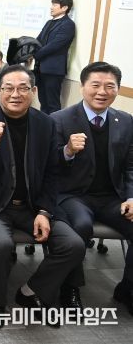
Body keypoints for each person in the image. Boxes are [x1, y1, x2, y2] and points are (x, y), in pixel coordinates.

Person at [0, 65, 85, 328]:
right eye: (8, 88)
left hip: (33, 206)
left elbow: (52, 172)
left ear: (34, 91)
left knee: (73, 244)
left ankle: (31, 291)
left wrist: (44, 212)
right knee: (1, 244)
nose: (15, 94)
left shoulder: (46, 123)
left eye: (23, 88)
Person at [52, 61, 133, 315]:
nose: (102, 92)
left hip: (112, 197)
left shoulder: (126, 121)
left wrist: (131, 197)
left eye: (110, 86)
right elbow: (47, 166)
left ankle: (127, 289)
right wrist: (67, 151)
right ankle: (70, 288)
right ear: (83, 87)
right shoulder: (59, 119)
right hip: (73, 195)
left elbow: (131, 167)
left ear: (117, 89)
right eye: (95, 85)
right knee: (81, 226)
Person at [33, 0, 76, 114]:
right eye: (52, 4)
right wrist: (32, 49)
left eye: (55, 5)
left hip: (53, 70)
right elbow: (38, 40)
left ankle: (54, 125)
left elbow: (55, 45)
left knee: (53, 103)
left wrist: (36, 54)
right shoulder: (49, 22)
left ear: (64, 7)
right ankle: (44, 123)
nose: (51, 7)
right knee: (43, 101)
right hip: (40, 68)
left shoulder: (68, 24)